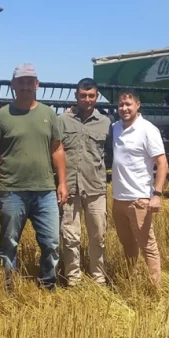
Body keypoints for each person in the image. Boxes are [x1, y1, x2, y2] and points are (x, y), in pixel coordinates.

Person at [0, 63, 68, 290]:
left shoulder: (49, 114)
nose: (25, 86)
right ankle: (8, 286)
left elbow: (57, 149)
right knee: (9, 243)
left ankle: (48, 284)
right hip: (12, 189)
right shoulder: (3, 115)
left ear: (37, 85)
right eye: (20, 82)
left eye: (29, 82)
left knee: (51, 242)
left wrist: (61, 182)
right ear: (13, 85)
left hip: (45, 190)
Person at [109, 89, 168, 288]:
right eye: (120, 105)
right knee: (127, 244)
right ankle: (131, 281)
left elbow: (162, 163)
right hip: (118, 198)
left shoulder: (147, 129)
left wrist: (157, 195)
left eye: (128, 105)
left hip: (139, 199)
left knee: (148, 246)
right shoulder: (115, 127)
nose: (124, 109)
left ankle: (155, 287)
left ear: (138, 105)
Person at [58, 78, 112, 287]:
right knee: (71, 236)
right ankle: (73, 278)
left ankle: (98, 278)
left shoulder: (106, 122)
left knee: (98, 235)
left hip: (95, 187)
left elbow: (113, 153)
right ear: (76, 96)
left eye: (91, 96)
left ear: (97, 96)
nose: (87, 99)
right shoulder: (63, 121)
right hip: (69, 187)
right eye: (83, 95)